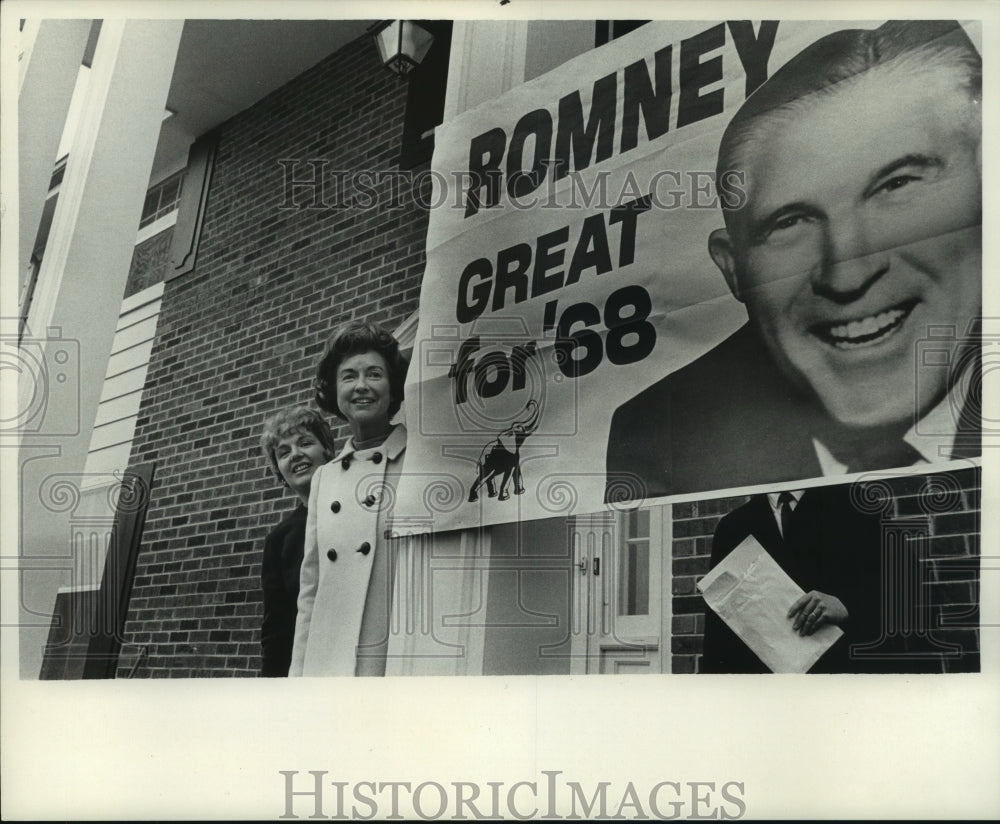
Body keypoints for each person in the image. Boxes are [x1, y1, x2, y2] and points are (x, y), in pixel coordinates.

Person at [606, 20, 981, 501]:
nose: (846, 274)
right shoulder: (666, 432)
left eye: (896, 185)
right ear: (733, 268)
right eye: (789, 222)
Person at [700, 483, 944, 674]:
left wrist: (848, 605)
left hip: (846, 680)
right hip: (772, 697)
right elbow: (719, 630)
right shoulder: (733, 527)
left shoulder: (856, 505)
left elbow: (910, 587)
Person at [289, 321, 408, 677]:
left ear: (392, 387)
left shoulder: (422, 459)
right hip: (328, 664)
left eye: (374, 374)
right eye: (348, 377)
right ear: (334, 390)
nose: (361, 386)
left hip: (392, 658)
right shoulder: (324, 477)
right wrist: (298, 675)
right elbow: (310, 588)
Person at [258, 406, 336, 676]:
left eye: (305, 443)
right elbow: (277, 629)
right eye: (284, 452)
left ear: (327, 450)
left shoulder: (362, 507)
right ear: (279, 471)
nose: (296, 455)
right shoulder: (280, 539)